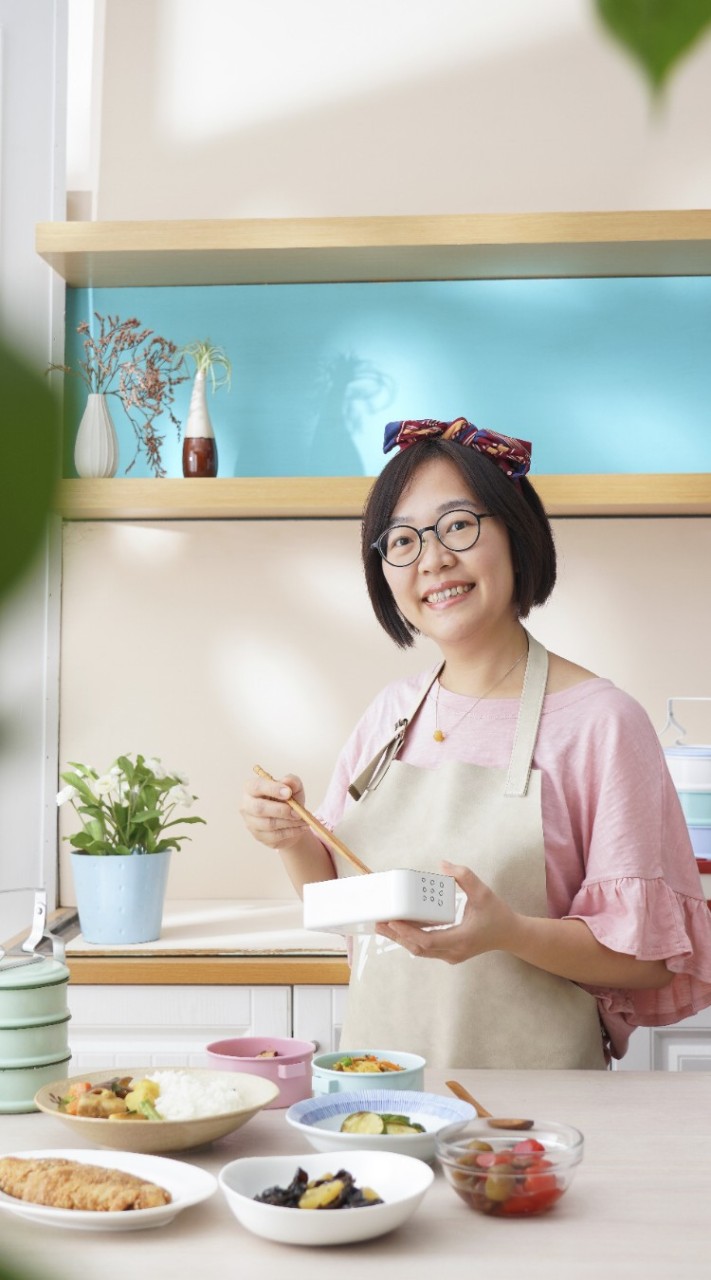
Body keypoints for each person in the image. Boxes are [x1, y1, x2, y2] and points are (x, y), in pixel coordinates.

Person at [240, 416, 711, 1068]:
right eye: (401, 540)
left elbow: (650, 961)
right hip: (381, 1097)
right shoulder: (390, 714)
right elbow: (345, 903)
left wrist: (507, 934)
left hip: (529, 1126)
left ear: (516, 533)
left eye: (457, 525)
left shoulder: (601, 722)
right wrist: (292, 838)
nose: (431, 559)